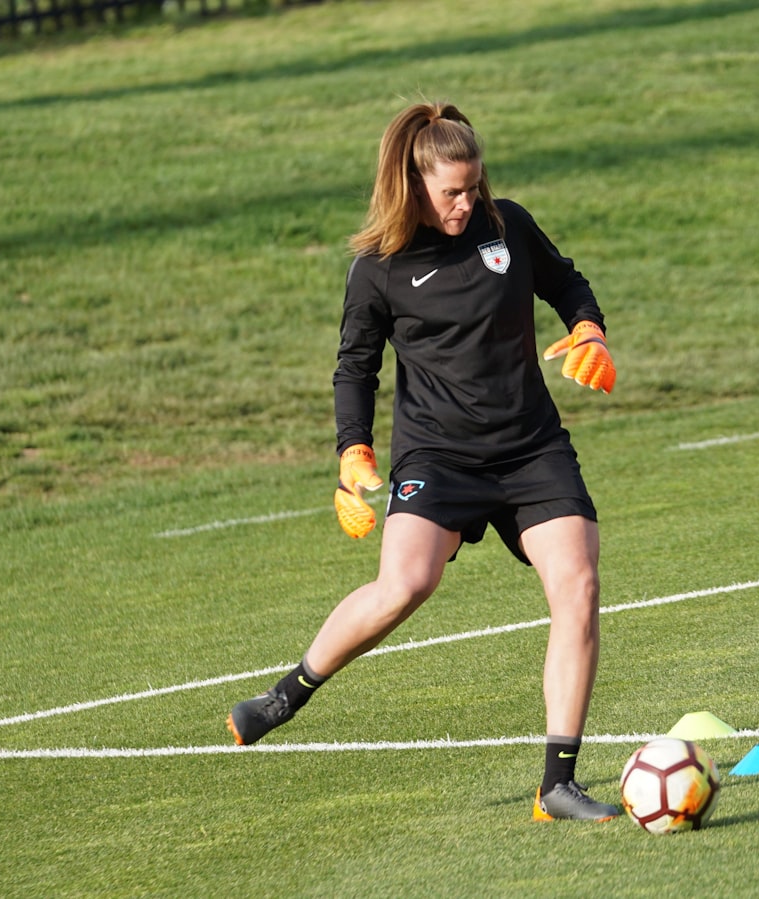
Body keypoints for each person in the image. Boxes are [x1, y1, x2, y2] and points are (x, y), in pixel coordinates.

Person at [227, 101, 619, 822]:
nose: (468, 203)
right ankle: (285, 694)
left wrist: (589, 329)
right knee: (404, 584)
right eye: (453, 193)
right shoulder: (377, 269)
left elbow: (567, 283)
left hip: (531, 445)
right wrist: (352, 451)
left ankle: (556, 784)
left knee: (580, 587)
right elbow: (355, 367)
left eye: (475, 187)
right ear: (414, 184)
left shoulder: (509, 226)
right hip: (438, 454)